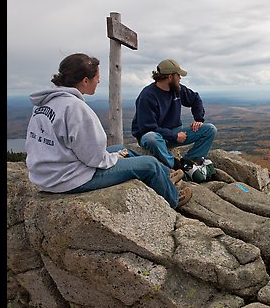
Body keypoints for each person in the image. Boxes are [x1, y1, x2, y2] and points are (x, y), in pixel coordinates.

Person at [25, 53, 192, 208]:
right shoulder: (75, 108)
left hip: (49, 174)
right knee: (149, 164)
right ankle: (173, 199)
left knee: (121, 149)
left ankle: (166, 175)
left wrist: (115, 155)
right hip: (69, 179)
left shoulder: (43, 104)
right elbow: (94, 159)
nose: (98, 81)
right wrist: (112, 159)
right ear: (85, 80)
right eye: (97, 77)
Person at [131, 59, 217, 173]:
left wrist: (198, 119)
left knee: (210, 129)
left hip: (174, 132)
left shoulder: (177, 89)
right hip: (155, 136)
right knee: (151, 138)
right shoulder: (147, 96)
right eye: (178, 75)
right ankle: (176, 165)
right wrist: (174, 136)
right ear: (170, 77)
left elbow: (195, 98)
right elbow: (148, 128)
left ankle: (189, 163)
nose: (180, 78)